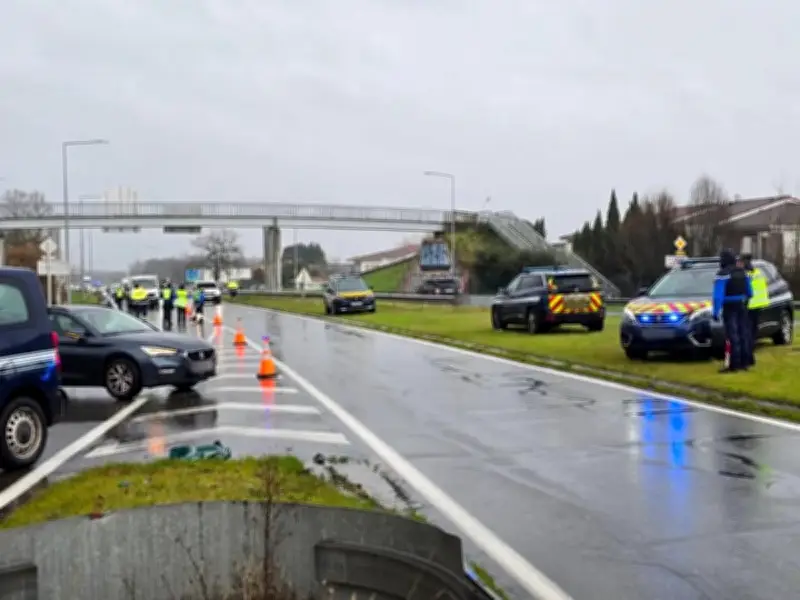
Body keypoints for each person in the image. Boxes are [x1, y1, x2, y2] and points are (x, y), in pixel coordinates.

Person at [712, 249, 753, 373]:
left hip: (729, 306)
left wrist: (716, 312)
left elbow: (718, 296)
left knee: (732, 336)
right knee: (743, 334)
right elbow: (750, 292)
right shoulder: (742, 272)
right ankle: (744, 363)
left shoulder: (723, 274)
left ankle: (733, 364)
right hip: (742, 305)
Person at [739, 253, 768, 367]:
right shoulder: (758, 272)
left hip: (749, 305)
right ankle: (750, 356)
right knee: (752, 332)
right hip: (758, 305)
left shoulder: (746, 274)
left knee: (747, 333)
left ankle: (748, 357)